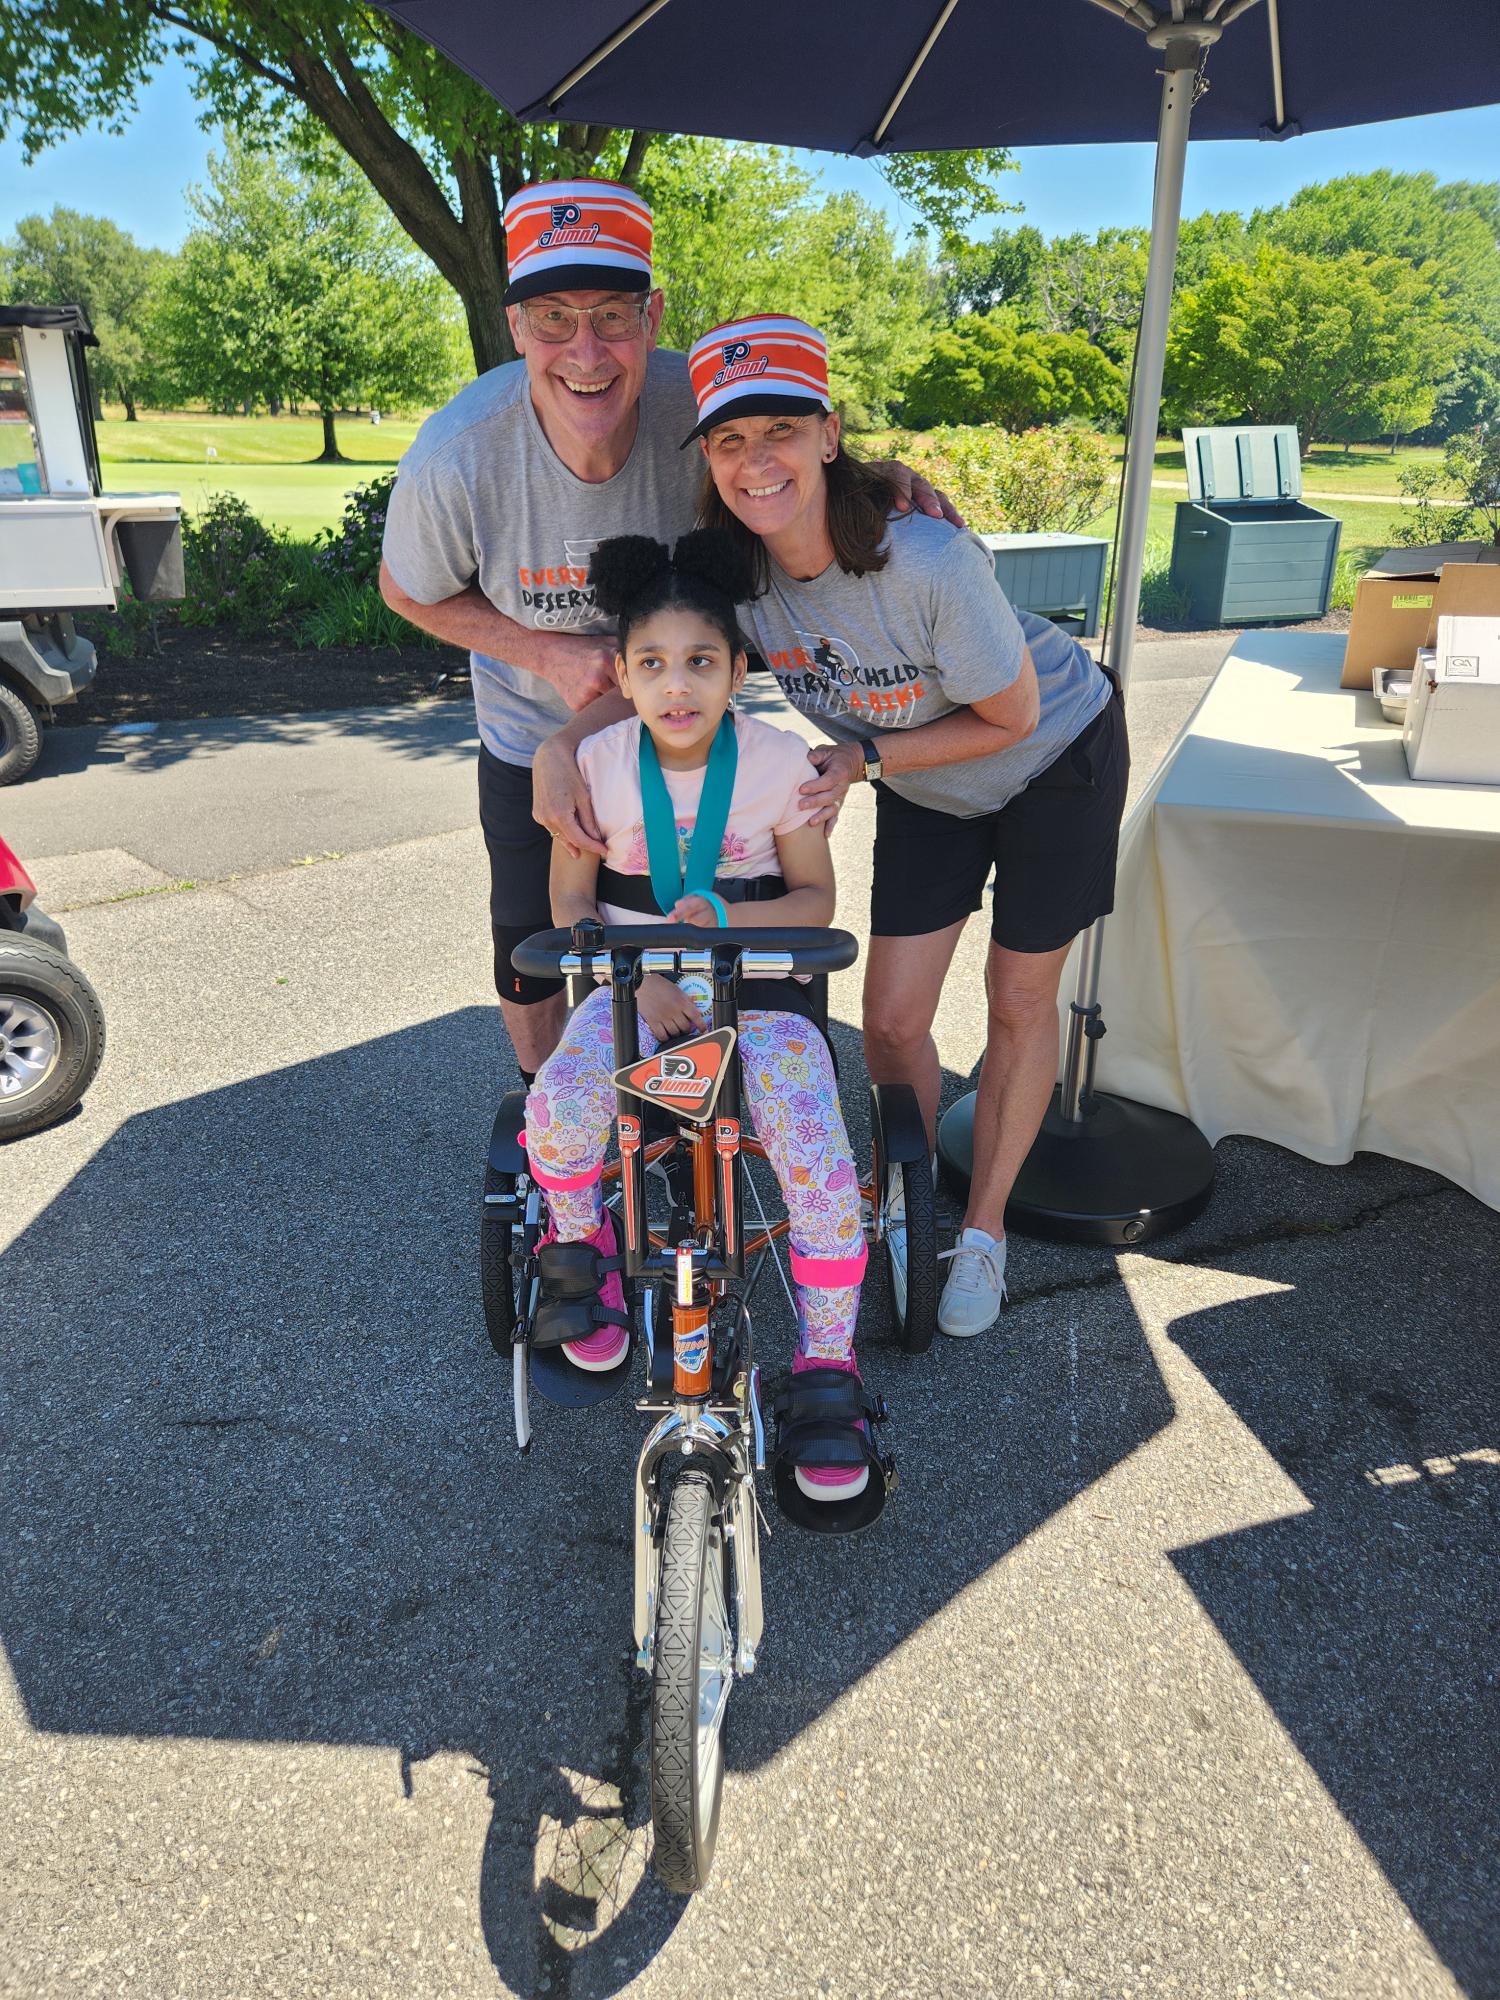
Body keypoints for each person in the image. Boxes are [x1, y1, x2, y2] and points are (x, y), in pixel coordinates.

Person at [379, 179, 950, 1094]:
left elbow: (794, 445)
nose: (586, 351)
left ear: (652, 317)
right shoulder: (460, 453)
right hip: (537, 740)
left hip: (691, 725)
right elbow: (405, 588)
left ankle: (717, 1112)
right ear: (516, 326)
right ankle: (559, 1116)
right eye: (555, 319)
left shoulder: (702, 402)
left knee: (714, 918)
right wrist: (547, 652)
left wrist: (875, 478)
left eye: (611, 316)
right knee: (532, 950)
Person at [522, 529, 885, 1529]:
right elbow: (571, 904)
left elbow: (813, 899)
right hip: (631, 993)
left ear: (736, 667)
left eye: (700, 662)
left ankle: (823, 1359)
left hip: (760, 994)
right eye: (650, 664)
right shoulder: (594, 762)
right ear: (623, 676)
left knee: (814, 1153)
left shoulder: (778, 765)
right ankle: (578, 1243)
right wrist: (640, 983)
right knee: (555, 1106)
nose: (676, 686)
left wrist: (721, 922)